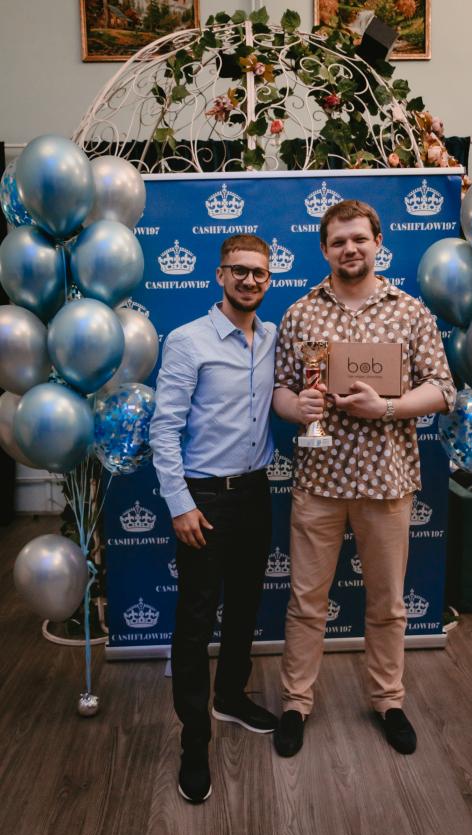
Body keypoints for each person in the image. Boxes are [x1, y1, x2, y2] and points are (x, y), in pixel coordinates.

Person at [272, 200, 456, 758]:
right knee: (306, 601)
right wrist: (298, 407)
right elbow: (280, 390)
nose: (349, 249)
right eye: (338, 241)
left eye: (359, 239)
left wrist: (387, 408)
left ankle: (388, 700)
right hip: (319, 481)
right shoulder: (301, 313)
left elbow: (442, 390)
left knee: (388, 604)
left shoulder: (410, 312)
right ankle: (296, 703)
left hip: (386, 481)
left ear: (378, 242)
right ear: (324, 249)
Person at [150, 234, 278, 804]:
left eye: (259, 273)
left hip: (256, 492)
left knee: (246, 604)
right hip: (204, 497)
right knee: (196, 618)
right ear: (220, 275)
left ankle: (230, 697)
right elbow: (164, 429)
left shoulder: (272, 338)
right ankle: (194, 741)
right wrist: (181, 504)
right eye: (239, 271)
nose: (249, 281)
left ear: (269, 279)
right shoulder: (187, 341)